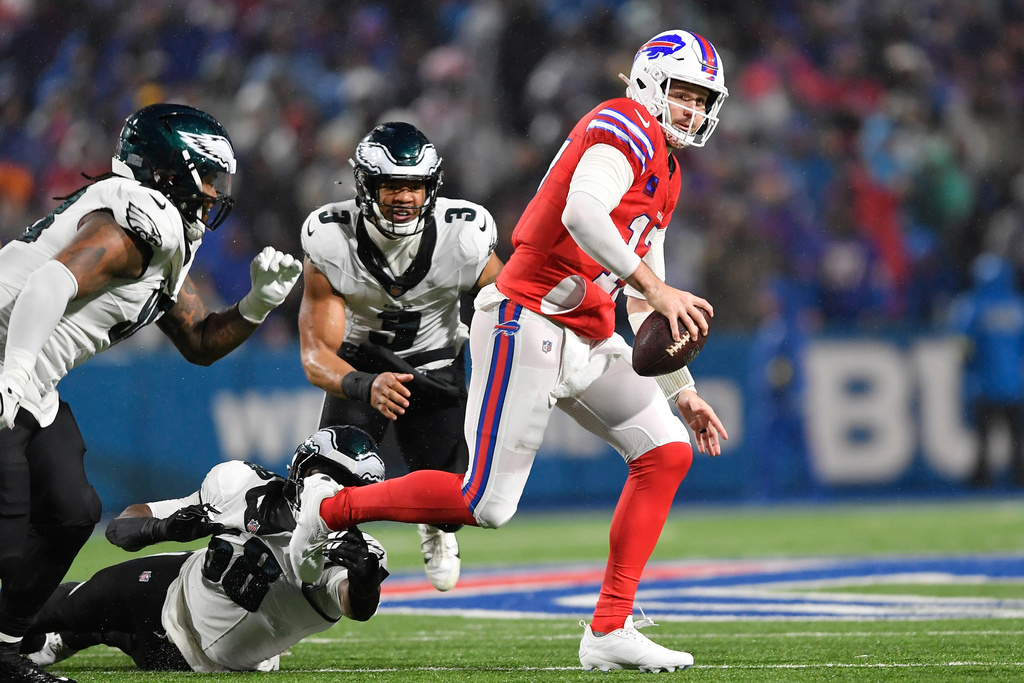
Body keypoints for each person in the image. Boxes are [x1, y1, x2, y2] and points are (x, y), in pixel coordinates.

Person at [289, 29, 730, 672]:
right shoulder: (622, 125)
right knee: (483, 505)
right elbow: (583, 215)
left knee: (664, 452)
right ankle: (327, 508)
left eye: (701, 99)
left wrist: (681, 389)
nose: (691, 110)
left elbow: (641, 300)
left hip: (587, 329)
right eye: (682, 94)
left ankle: (610, 627)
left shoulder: (665, 165)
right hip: (526, 319)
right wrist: (657, 289)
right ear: (647, 83)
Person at [0, 103, 302, 683]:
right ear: (171, 171)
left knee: (71, 512)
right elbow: (49, 281)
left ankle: (4, 644)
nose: (215, 192)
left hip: (31, 378)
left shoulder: (165, 239)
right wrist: (13, 371)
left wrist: (257, 304)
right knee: (10, 528)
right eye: (208, 176)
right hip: (6, 361)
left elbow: (198, 340)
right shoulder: (142, 218)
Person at [297, 121, 502, 592]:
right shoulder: (332, 239)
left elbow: (509, 307)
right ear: (367, 185)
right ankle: (307, 574)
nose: (405, 197)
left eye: (414, 185)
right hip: (362, 364)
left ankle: (434, 527)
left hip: (435, 366)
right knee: (326, 484)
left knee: (453, 500)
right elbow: (315, 354)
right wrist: (364, 384)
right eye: (392, 185)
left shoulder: (464, 235)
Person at [19, 425, 389, 673]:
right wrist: (164, 527)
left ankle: (74, 637)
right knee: (63, 606)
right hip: (168, 593)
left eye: (351, 488)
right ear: (303, 467)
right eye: (328, 476)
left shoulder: (355, 551)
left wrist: (364, 583)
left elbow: (354, 605)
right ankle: (55, 635)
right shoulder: (239, 484)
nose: (334, 491)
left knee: (124, 638)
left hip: (209, 661)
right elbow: (123, 526)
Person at [947, 253, 1024, 487]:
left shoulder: (971, 305)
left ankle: (982, 478)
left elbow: (962, 345)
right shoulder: (1017, 305)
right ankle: (1018, 476)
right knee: (1016, 437)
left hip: (983, 385)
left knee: (983, 438)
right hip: (1014, 385)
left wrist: (967, 369)